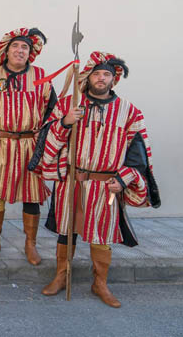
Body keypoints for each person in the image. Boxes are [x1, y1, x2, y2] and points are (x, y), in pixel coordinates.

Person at [32, 52, 159, 307]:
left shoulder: (129, 112)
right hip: (72, 180)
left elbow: (138, 154)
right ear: (88, 76)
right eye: (97, 74)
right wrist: (66, 122)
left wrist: (123, 179)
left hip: (105, 185)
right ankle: (61, 276)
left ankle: (100, 283)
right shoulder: (70, 104)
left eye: (106, 75)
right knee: (67, 230)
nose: (101, 79)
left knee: (102, 234)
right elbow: (44, 139)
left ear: (114, 79)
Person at [0, 27, 56, 264]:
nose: (19, 50)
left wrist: (46, 146)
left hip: (30, 146)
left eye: (24, 47)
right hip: (0, 145)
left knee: (32, 196)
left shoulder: (41, 77)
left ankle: (30, 244)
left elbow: (52, 114)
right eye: (15, 46)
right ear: (6, 51)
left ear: (30, 52)